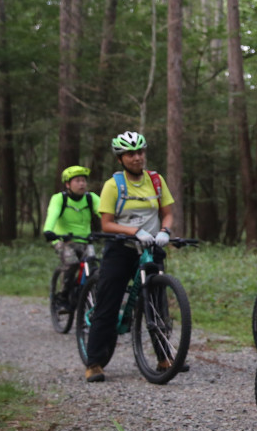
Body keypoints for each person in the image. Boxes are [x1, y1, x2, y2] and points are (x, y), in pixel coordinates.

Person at [82, 131, 175, 383]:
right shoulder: (113, 185)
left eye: (140, 152)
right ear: (121, 159)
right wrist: (134, 231)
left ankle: (165, 357)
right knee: (108, 303)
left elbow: (167, 213)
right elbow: (107, 224)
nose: (137, 158)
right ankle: (94, 363)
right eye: (131, 154)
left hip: (151, 246)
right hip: (121, 248)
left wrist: (165, 230)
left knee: (157, 303)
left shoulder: (155, 180)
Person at [43, 165, 100, 294]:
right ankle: (63, 297)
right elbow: (52, 215)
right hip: (62, 240)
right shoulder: (59, 199)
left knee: (93, 267)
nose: (82, 184)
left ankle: (89, 296)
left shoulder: (91, 198)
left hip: (85, 240)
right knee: (72, 263)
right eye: (77, 181)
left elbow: (106, 213)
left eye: (83, 180)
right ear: (68, 184)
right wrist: (48, 230)